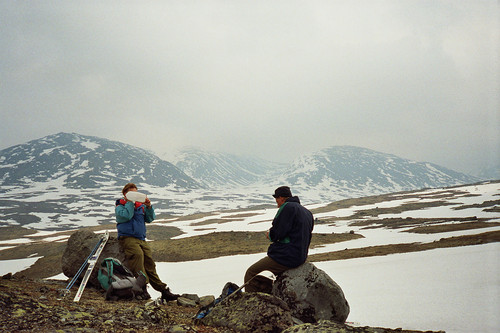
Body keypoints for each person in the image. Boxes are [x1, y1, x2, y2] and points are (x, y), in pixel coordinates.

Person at [115, 182, 178, 301]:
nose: (134, 195)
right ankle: (142, 289)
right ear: (124, 194)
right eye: (130, 193)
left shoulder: (141, 206)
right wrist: (130, 203)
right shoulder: (120, 206)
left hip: (141, 239)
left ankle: (163, 290)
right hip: (128, 238)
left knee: (150, 263)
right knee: (137, 258)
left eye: (135, 193)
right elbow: (127, 216)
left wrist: (148, 206)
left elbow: (150, 218)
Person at [244, 186, 314, 292]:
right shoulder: (307, 212)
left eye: (276, 199)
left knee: (251, 273)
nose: (276, 203)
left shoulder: (287, 207)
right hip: (301, 256)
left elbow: (278, 232)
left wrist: (270, 234)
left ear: (281, 198)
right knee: (266, 278)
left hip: (286, 256)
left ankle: (252, 306)